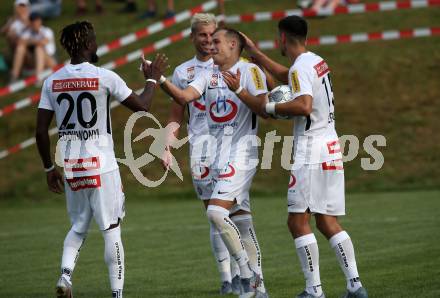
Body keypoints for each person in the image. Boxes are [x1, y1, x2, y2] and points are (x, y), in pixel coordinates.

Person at [35, 21, 167, 298]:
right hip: (102, 166)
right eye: (94, 40)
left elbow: (40, 131)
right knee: (111, 230)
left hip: (71, 166)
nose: (96, 45)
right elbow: (143, 106)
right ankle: (117, 294)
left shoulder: (52, 81)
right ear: (88, 45)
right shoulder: (104, 77)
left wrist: (49, 167)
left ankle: (65, 276)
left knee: (79, 225)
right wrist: (153, 78)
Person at [241, 15, 368, 298]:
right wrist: (257, 55)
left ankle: (314, 291)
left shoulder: (301, 68)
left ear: (283, 38)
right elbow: (289, 76)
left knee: (297, 222)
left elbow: (303, 105)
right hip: (331, 144)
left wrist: (271, 108)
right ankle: (355, 285)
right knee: (326, 221)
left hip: (310, 150)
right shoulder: (315, 61)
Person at [160, 27, 270, 298]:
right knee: (242, 222)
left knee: (215, 213)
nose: (211, 45)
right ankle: (259, 289)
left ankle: (245, 275)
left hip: (242, 154)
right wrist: (159, 78)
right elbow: (184, 98)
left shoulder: (250, 72)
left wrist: (240, 90)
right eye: (208, 40)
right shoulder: (207, 74)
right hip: (215, 155)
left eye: (217, 41)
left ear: (233, 44)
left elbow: (265, 109)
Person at [10, 12, 56, 82]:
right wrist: (32, 41)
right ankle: (14, 76)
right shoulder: (28, 32)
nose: (35, 23)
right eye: (33, 21)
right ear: (30, 22)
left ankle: (39, 78)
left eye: (36, 21)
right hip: (35, 60)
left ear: (40, 21)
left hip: (50, 60)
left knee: (39, 49)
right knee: (20, 48)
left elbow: (43, 42)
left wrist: (30, 41)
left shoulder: (47, 31)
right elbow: (19, 42)